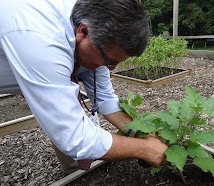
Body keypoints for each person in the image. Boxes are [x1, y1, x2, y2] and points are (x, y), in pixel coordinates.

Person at [0, 0, 168, 174]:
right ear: (83, 32)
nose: (110, 69)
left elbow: (105, 98)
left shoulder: (95, 33)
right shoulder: (40, 39)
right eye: (110, 61)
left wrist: (140, 132)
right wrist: (144, 149)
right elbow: (75, 138)